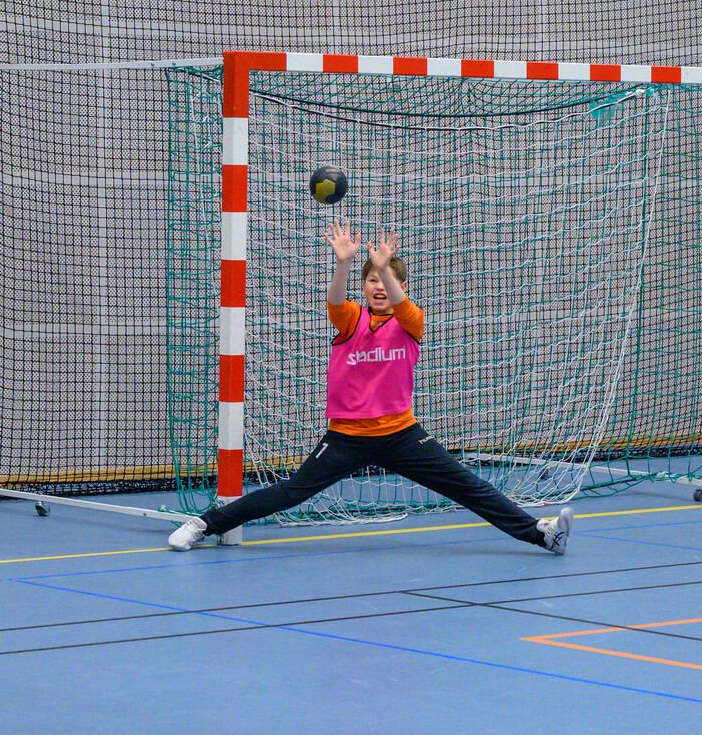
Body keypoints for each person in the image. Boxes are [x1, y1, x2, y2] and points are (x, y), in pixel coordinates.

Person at [169, 217, 573, 554]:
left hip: (401, 434)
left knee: (467, 485)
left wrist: (384, 266)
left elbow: (399, 302)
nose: (380, 286)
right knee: (291, 491)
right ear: (364, 288)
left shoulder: (410, 321)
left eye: (387, 281)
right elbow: (335, 299)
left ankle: (542, 534)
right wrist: (344, 263)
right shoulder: (351, 319)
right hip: (348, 436)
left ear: (400, 288)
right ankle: (203, 524)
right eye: (373, 280)